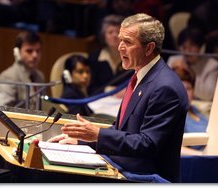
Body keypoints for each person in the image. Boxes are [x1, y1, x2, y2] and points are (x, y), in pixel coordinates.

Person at [48, 13, 188, 182]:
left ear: (149, 48)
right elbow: (123, 131)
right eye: (120, 40)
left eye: (127, 42)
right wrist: (81, 141)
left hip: (146, 179)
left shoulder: (165, 87)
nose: (120, 47)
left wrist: (98, 134)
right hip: (123, 171)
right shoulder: (140, 76)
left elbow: (147, 145)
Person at [0, 30, 44, 109]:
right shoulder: (8, 76)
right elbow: (0, 110)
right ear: (17, 52)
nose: (35, 55)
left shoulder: (39, 76)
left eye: (38, 51)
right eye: (29, 51)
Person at [167, 26, 218, 102]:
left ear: (201, 47)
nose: (187, 51)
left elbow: (209, 94)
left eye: (191, 46)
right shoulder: (173, 60)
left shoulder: (212, 65)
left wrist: (190, 72)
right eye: (184, 47)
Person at [88, 14, 132, 94]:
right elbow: (90, 89)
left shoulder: (132, 57)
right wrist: (110, 90)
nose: (115, 35)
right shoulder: (94, 57)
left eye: (118, 32)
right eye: (110, 32)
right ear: (104, 36)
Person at [172, 66, 208, 155]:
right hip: (198, 160)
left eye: (188, 88)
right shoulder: (174, 114)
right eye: (181, 88)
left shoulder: (195, 109)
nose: (185, 92)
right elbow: (171, 147)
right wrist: (203, 155)